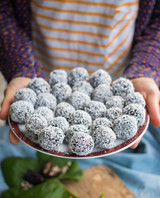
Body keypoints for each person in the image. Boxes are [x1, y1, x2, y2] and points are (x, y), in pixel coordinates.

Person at [0, 0, 160, 148]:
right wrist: (19, 65)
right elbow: (4, 12)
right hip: (36, 77)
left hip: (120, 80)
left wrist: (145, 67)